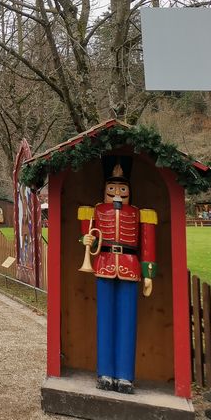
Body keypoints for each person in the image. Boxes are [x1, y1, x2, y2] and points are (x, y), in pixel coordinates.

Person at [78, 156, 156, 394]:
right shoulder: (94, 211)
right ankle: (104, 373)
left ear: (129, 190)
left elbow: (148, 245)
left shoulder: (141, 213)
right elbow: (87, 241)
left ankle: (125, 376)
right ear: (104, 190)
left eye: (122, 188)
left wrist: (148, 273)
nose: (116, 193)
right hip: (103, 264)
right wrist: (87, 239)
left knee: (127, 321)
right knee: (105, 320)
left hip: (131, 266)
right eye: (111, 189)